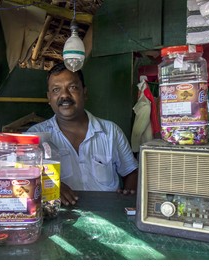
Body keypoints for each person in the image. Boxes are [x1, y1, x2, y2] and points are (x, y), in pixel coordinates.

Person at [27, 63, 138, 206]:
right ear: (49, 98)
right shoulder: (35, 137)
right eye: (56, 90)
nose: (64, 95)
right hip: (60, 215)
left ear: (84, 92)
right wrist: (51, 185)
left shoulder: (111, 132)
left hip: (108, 213)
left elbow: (131, 172)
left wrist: (127, 201)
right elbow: (24, 178)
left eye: (72, 87)